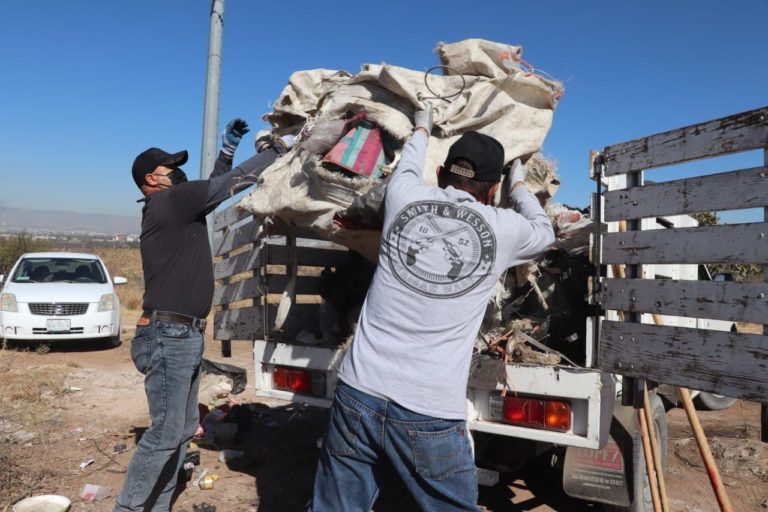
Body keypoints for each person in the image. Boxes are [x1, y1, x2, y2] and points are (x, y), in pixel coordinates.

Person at [309, 105, 555, 511]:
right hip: (430, 411)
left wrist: (422, 128)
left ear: (440, 174)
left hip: (358, 391)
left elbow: (408, 163)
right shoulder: (505, 228)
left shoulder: (403, 196)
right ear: (492, 189)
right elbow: (545, 231)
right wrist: (518, 187)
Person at [114, 119, 290, 512]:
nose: (178, 173)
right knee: (166, 433)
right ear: (151, 178)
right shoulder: (169, 202)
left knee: (179, 432)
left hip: (182, 334)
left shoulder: (175, 206)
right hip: (169, 335)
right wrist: (279, 150)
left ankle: (157, 506)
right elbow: (228, 186)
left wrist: (227, 151)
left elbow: (213, 188)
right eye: (170, 168)